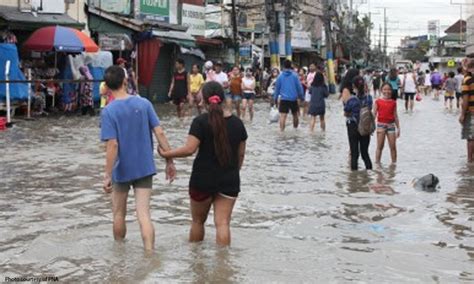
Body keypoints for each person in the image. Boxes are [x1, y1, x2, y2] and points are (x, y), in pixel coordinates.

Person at [158, 81, 248, 246]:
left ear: (204, 100)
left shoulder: (200, 122)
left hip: (202, 179)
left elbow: (189, 149)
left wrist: (166, 154)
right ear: (222, 98)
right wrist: (234, 172)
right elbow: (240, 154)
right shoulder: (237, 124)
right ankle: (223, 267)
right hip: (229, 179)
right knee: (223, 224)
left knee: (198, 222)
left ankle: (196, 263)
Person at [100, 66, 176, 252]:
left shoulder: (108, 111)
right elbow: (160, 132)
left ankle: (119, 256)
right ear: (126, 82)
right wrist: (169, 160)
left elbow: (113, 145)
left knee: (118, 214)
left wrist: (107, 174)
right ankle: (150, 253)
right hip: (144, 167)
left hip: (121, 169)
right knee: (144, 215)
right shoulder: (144, 104)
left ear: (107, 87)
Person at [344, 75, 373, 171]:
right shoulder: (369, 98)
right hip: (365, 127)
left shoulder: (351, 99)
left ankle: (354, 180)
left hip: (353, 127)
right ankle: (369, 174)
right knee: (365, 153)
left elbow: (346, 112)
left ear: (353, 86)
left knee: (354, 153)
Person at [273, 60, 305, 131]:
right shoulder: (295, 75)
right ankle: (295, 130)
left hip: (283, 99)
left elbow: (277, 89)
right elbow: (299, 87)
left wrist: (275, 99)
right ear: (291, 66)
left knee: (283, 116)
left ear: (283, 66)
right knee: (295, 115)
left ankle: (282, 132)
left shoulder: (280, 76)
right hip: (293, 98)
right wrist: (302, 97)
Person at [373, 83, 401, 164]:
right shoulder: (378, 101)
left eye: (389, 89)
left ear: (391, 91)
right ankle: (377, 164)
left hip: (391, 125)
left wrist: (398, 128)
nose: (387, 91)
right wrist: (370, 127)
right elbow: (374, 114)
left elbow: (395, 116)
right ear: (381, 90)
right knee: (379, 147)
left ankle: (393, 164)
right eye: (385, 89)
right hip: (381, 125)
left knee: (393, 147)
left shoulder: (393, 102)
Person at [460, 58, 474, 163]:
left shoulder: (466, 80)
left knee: (470, 137)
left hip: (471, 111)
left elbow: (465, 100)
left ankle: (469, 161)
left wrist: (462, 114)